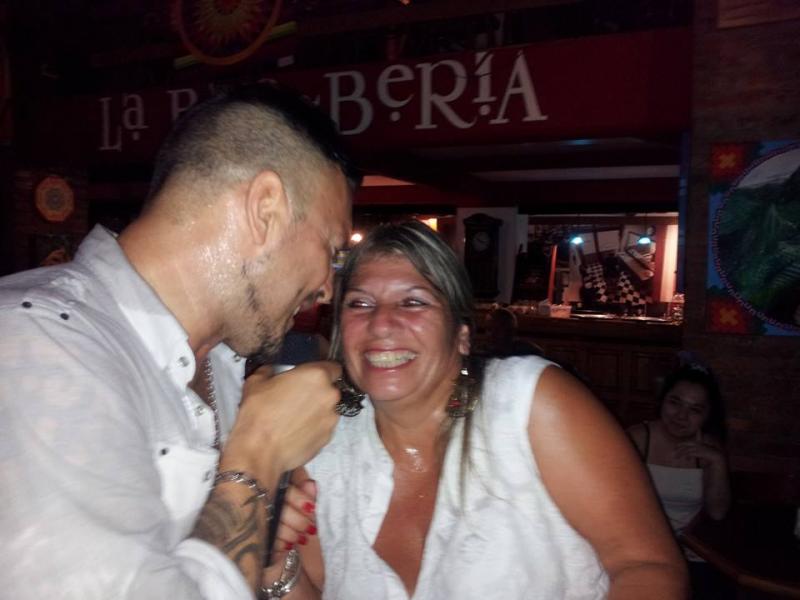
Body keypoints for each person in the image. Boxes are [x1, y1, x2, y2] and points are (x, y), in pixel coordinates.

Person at [0, 83, 359, 599]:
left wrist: (261, 538)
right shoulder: (36, 346)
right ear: (265, 209)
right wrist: (258, 452)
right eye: (331, 248)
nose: (327, 286)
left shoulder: (224, 364)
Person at [270, 221, 688, 599]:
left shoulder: (530, 404)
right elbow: (317, 587)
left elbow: (647, 567)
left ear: (462, 334)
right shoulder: (320, 446)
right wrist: (273, 561)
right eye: (360, 304)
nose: (381, 323)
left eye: (413, 302)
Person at [627, 362, 732, 598]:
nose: (681, 416)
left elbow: (717, 512)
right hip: (641, 547)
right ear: (662, 401)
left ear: (707, 415)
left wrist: (717, 462)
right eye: (675, 403)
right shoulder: (637, 438)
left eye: (695, 409)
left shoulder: (710, 448)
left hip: (691, 550)